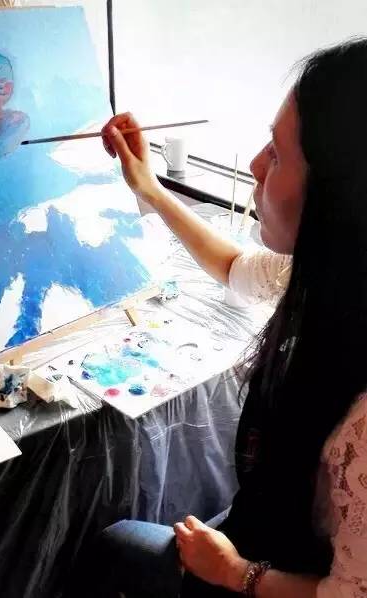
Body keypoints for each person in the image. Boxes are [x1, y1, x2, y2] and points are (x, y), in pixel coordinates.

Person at [96, 39, 367, 597]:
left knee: (114, 546)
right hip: (272, 532)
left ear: (341, 194)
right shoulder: (336, 275)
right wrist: (149, 187)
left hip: (271, 573)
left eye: (278, 155)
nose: (255, 165)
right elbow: (234, 266)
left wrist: (236, 572)